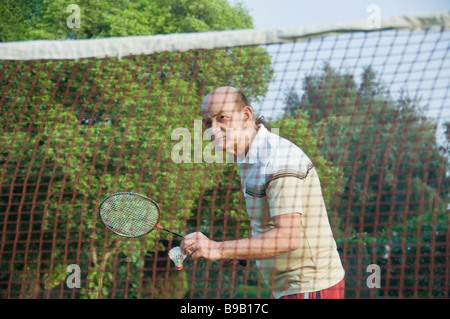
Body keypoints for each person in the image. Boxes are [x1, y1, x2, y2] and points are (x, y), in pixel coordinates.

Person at [180, 86, 345, 299]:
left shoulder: (278, 160)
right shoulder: (249, 158)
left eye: (222, 117)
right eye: (207, 123)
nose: (213, 129)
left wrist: (218, 249)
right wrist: (238, 252)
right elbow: (270, 226)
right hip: (292, 287)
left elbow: (287, 237)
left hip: (309, 286)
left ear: (246, 115)